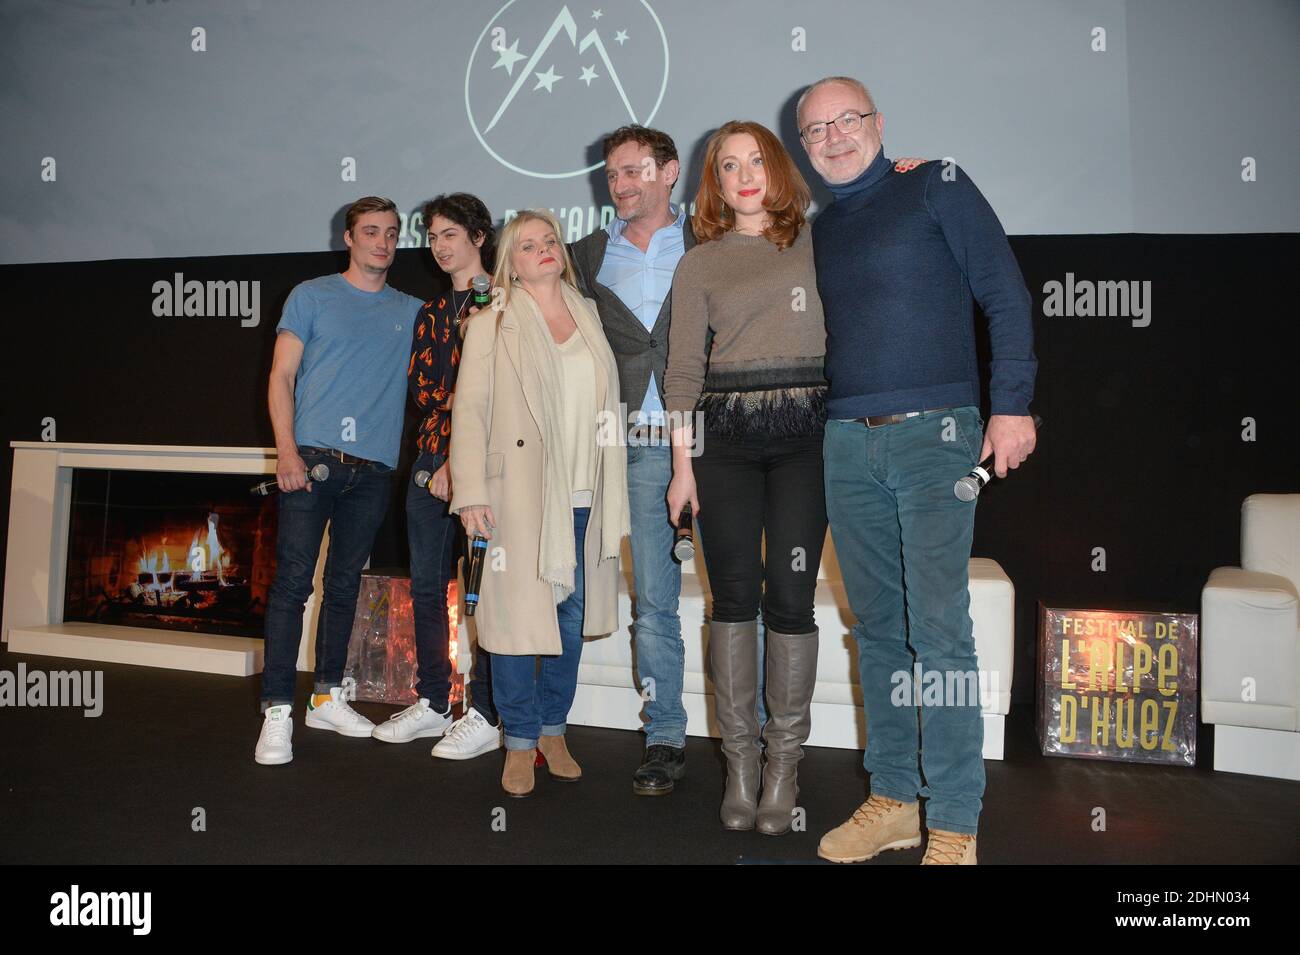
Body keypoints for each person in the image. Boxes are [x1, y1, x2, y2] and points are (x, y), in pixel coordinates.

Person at [798, 76, 1037, 864]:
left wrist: (1012, 405)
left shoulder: (937, 182)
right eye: (815, 129)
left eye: (847, 119)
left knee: (940, 635)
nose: (833, 136)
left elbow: (1004, 293)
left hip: (937, 437)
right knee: (880, 634)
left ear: (878, 122)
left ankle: (956, 822)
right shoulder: (821, 229)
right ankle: (895, 798)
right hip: (844, 443)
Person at [663, 120, 829, 835]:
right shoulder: (698, 263)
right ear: (715, 184)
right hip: (722, 445)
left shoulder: (820, 242)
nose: (744, 174)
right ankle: (739, 763)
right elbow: (682, 374)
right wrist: (680, 469)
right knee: (731, 599)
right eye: (728, 165)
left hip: (806, 442)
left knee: (790, 597)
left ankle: (784, 765)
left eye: (755, 159)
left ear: (778, 169)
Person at [450, 209, 630, 797]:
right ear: (511, 262)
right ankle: (519, 742)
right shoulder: (491, 323)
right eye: (528, 245)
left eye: (550, 240)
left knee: (570, 624)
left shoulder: (588, 314)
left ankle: (554, 730)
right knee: (511, 625)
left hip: (585, 492)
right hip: (518, 498)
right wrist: (470, 492)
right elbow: (470, 413)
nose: (543, 249)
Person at [255, 196, 423, 766]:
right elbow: (280, 377)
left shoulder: (413, 310)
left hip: (374, 473)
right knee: (293, 585)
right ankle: (278, 710)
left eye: (392, 233)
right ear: (347, 238)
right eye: (371, 231)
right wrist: (286, 452)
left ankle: (326, 696)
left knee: (345, 585)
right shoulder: (311, 296)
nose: (382, 242)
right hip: (311, 463)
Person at [567, 125, 694, 796]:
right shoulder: (585, 255)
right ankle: (666, 736)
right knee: (652, 603)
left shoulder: (712, 243)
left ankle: (757, 737)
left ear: (670, 172)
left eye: (635, 170)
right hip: (623, 446)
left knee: (740, 600)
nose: (621, 183)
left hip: (706, 445)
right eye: (612, 174)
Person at [369, 193, 502, 760]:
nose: (440, 245)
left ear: (478, 236)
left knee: (489, 594)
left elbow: (501, 395)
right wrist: (448, 432)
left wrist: (461, 450)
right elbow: (425, 395)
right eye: (433, 236)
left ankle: (489, 711)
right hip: (427, 460)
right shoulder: (430, 312)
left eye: (451, 233)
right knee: (426, 586)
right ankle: (434, 700)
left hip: (488, 464)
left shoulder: (507, 300)